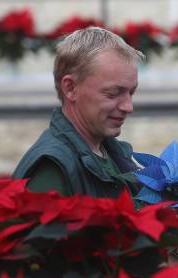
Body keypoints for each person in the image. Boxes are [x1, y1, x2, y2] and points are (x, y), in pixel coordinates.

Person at [13, 27, 142, 197]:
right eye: (112, 94)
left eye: (131, 92)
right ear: (70, 88)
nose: (128, 107)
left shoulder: (109, 150)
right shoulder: (52, 169)